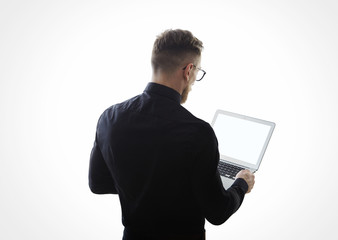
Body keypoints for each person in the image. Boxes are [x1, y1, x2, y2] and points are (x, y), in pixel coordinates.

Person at [88, 29, 255, 240]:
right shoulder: (198, 133)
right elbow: (218, 212)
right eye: (197, 73)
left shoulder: (109, 118)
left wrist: (142, 186)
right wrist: (241, 183)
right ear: (188, 70)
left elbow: (98, 183)